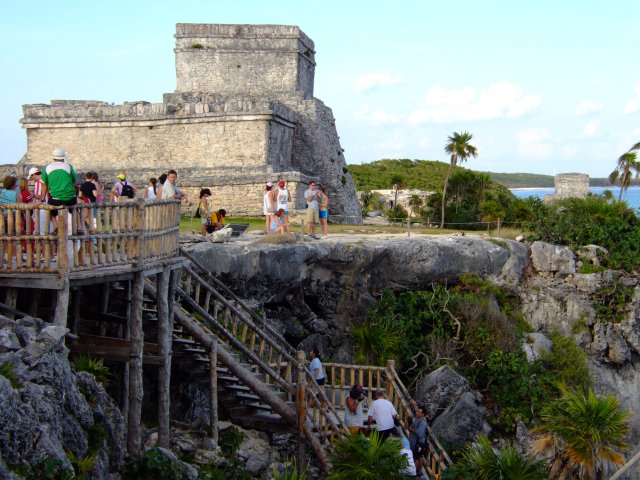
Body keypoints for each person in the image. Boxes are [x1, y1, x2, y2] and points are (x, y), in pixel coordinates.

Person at [40, 148, 77, 224]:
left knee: (50, 212)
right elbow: (74, 180)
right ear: (63, 158)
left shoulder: (47, 168)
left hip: (55, 199)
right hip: (70, 198)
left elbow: (44, 185)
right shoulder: (68, 166)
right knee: (75, 210)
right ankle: (79, 228)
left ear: (53, 158)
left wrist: (42, 198)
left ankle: (56, 226)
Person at [409, 400, 428, 475]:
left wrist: (411, 429)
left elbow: (420, 433)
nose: (416, 413)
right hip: (415, 441)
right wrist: (414, 404)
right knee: (418, 457)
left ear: (423, 414)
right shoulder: (418, 417)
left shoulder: (423, 422)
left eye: (418, 412)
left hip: (419, 443)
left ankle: (417, 471)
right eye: (417, 412)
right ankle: (418, 471)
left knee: (417, 457)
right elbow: (417, 409)